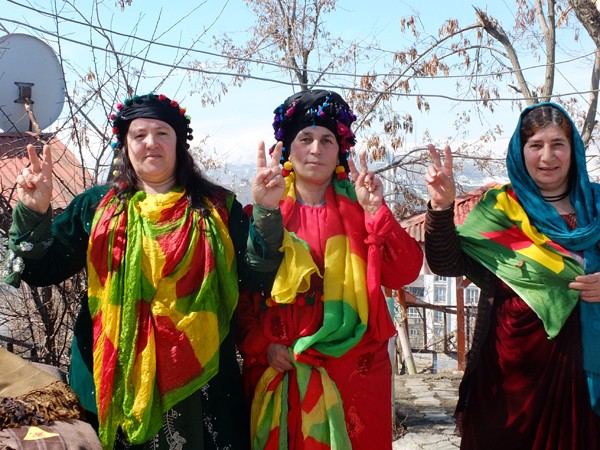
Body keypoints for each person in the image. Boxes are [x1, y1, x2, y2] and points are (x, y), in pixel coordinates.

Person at [2, 93, 252, 449]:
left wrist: (270, 216)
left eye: (162, 133)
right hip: (113, 377)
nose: (151, 142)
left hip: (202, 384)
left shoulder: (219, 210)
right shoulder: (96, 207)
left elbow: (258, 276)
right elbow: (44, 269)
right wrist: (32, 213)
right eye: (139, 135)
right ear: (125, 144)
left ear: (179, 143)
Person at [236, 89, 423, 449]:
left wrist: (377, 214)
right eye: (304, 139)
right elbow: (243, 295)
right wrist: (263, 346)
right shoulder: (263, 212)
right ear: (288, 149)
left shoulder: (361, 210)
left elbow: (405, 272)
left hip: (355, 374)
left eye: (326, 140)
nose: (316, 150)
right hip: (282, 368)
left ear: (341, 151)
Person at [425, 102, 600, 449]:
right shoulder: (500, 209)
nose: (547, 156)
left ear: (573, 150)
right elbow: (447, 263)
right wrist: (442, 207)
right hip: (507, 371)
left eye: (557, 144)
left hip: (581, 369)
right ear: (521, 152)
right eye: (535, 145)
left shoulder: (596, 206)